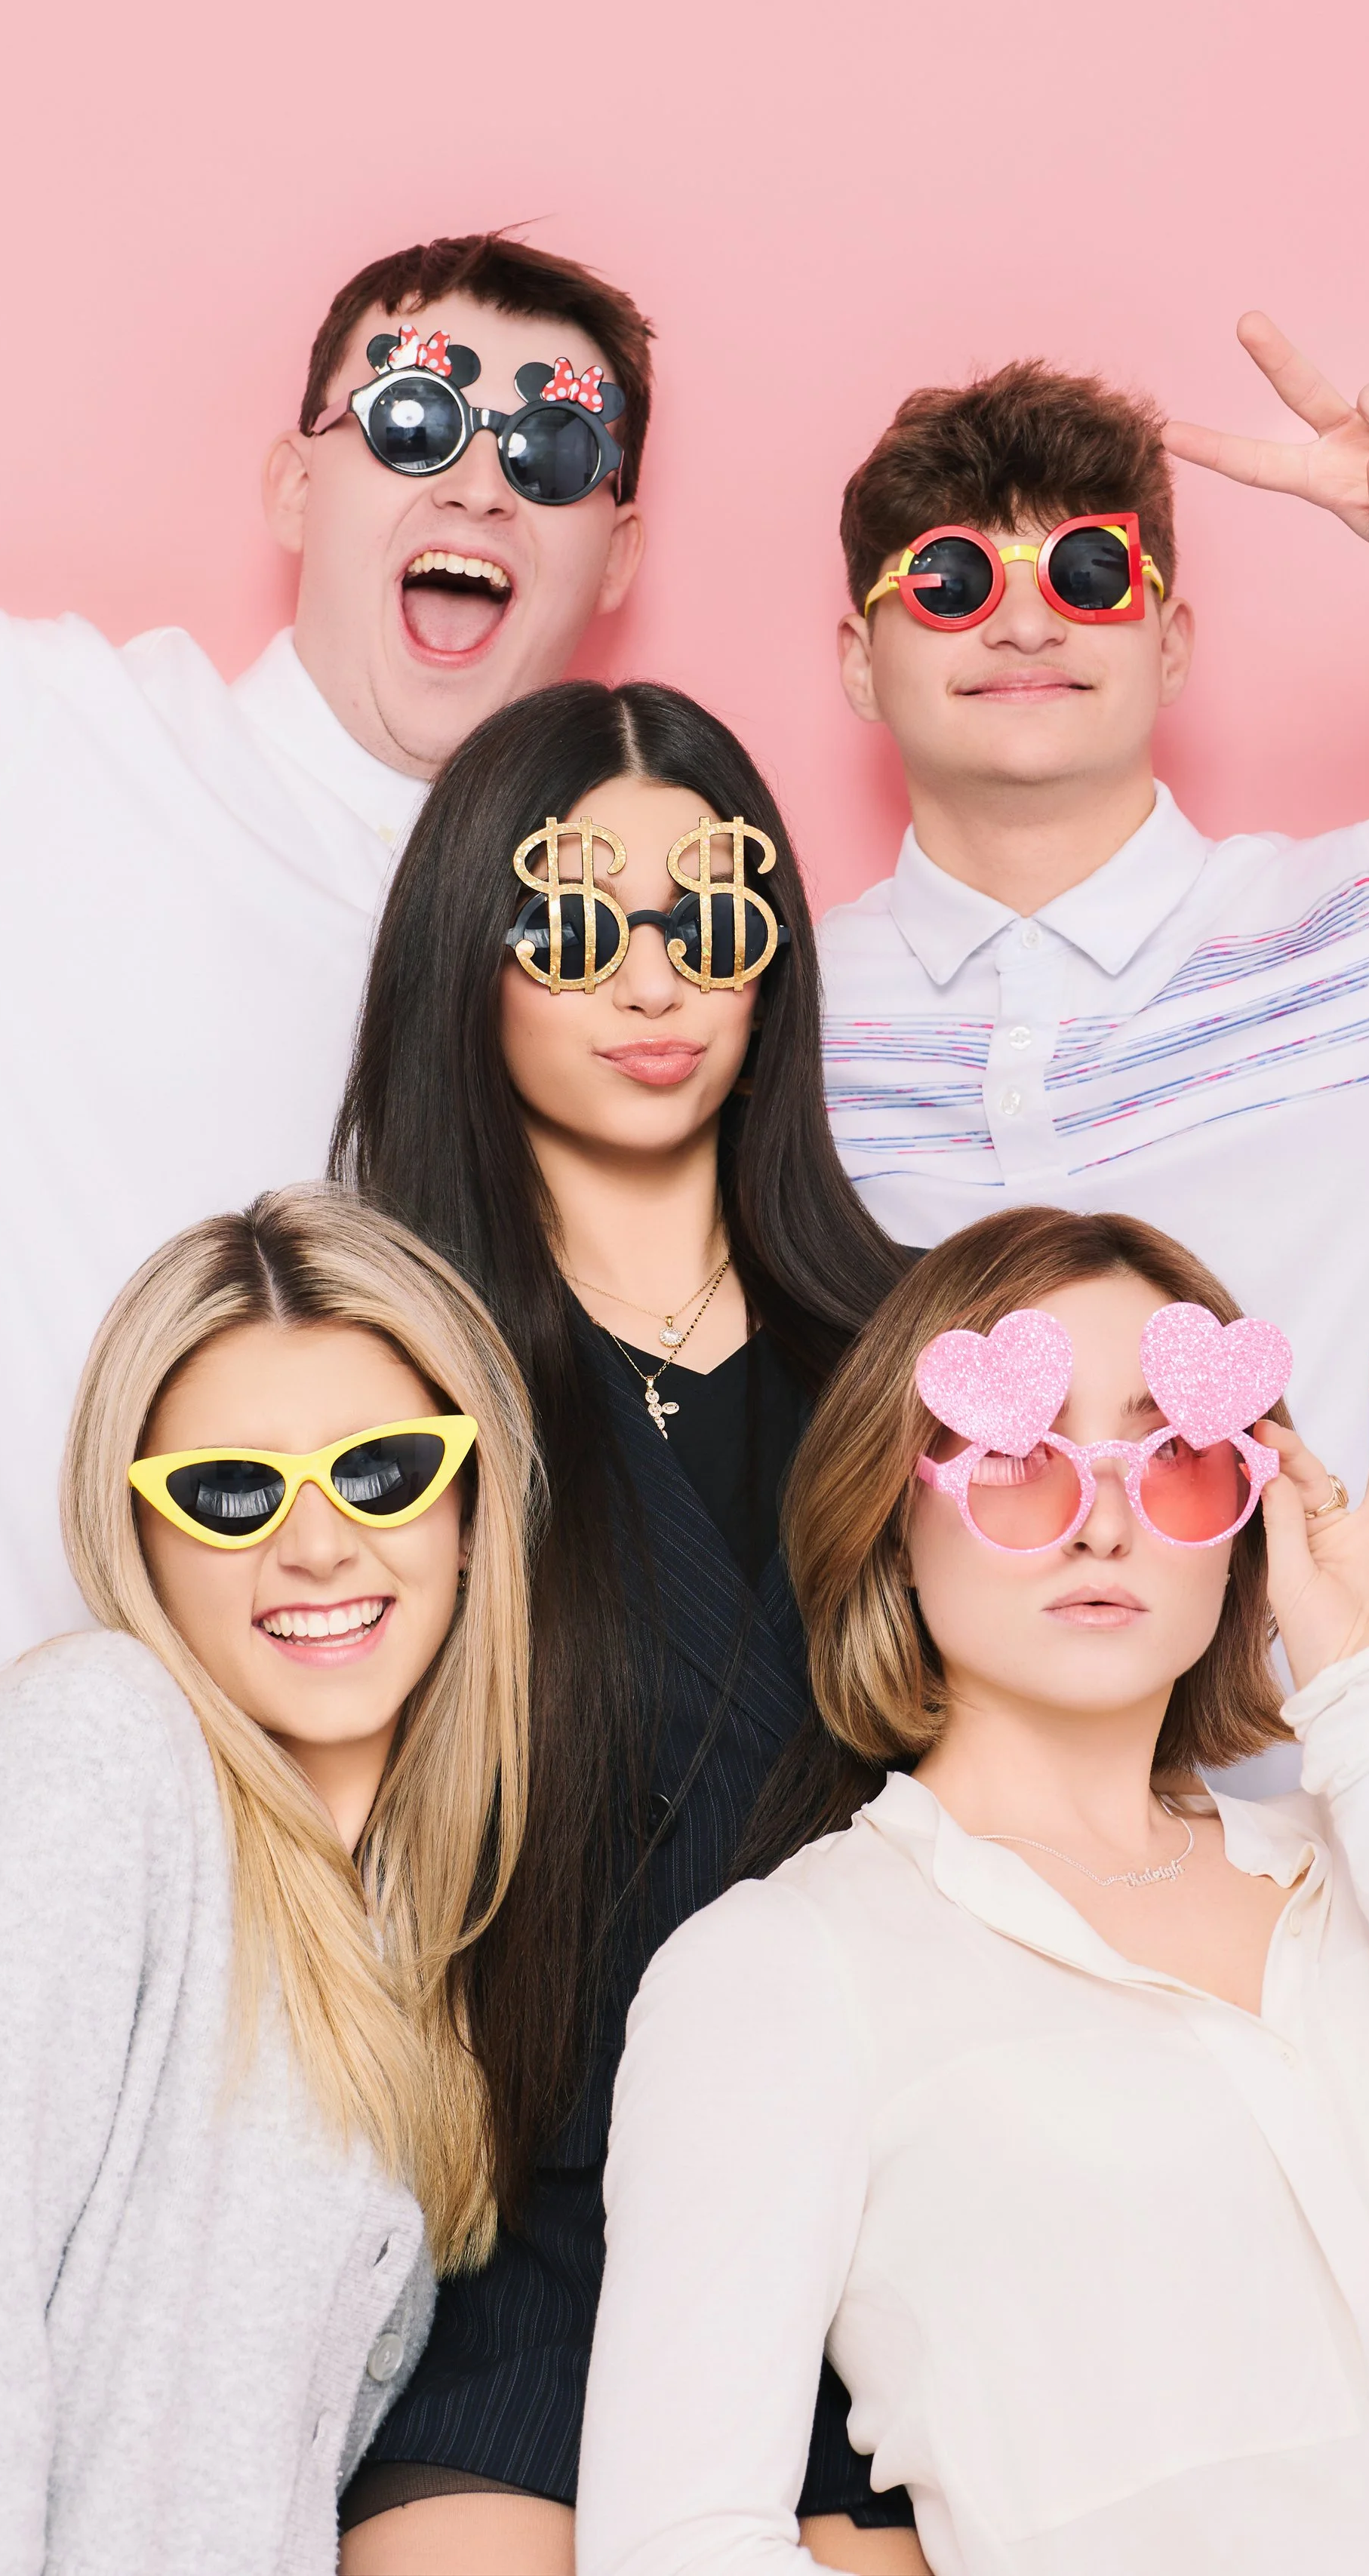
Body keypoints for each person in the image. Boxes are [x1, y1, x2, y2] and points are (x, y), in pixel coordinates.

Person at [0, 225, 649, 1965]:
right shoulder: (4, 763)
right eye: (408, 420)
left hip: (439, 1960)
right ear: (293, 482)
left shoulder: (645, 973)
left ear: (615, 547)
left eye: (552, 451)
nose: (477, 484)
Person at [578, 1206, 1369, 2574]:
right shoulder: (781, 1970)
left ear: (1248, 1522)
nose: (1104, 1518)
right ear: (894, 1507)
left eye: (1179, 1456)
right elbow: (676, 2542)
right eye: (1016, 1456)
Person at [821, 318, 1369, 1769]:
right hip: (924, 1926)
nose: (1024, 622)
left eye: (1089, 572)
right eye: (946, 581)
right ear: (859, 662)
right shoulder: (757, 1008)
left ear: (1171, 641)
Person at [0, 1184, 537, 2569]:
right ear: (142, 1538)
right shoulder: (98, 1744)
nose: (320, 1542)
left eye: (384, 1467)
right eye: (229, 1492)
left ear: (468, 1501)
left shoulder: (424, 1917)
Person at [330, 682, 918, 2571]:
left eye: (710, 922)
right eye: (571, 923)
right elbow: (189, 1780)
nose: (649, 984)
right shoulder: (367, 1375)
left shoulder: (928, 1367)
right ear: (461, 962)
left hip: (888, 2263)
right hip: (515, 2256)